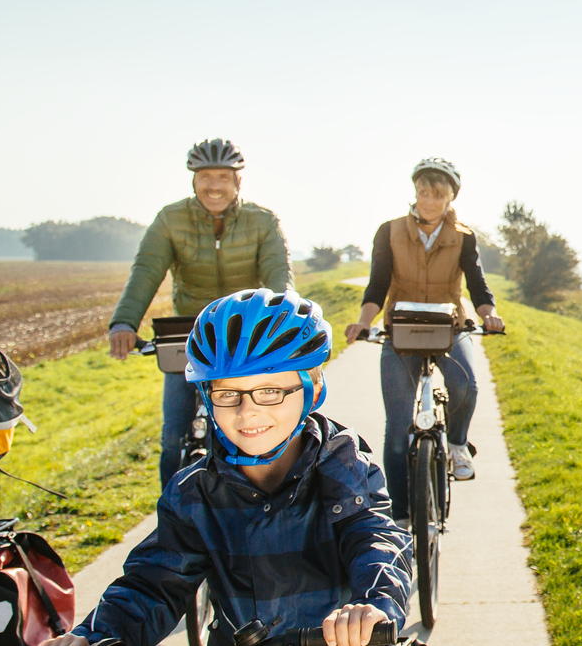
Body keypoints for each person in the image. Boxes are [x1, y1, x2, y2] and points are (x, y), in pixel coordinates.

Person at [51, 289, 411, 646]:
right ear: (208, 398)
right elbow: (152, 584)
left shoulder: (343, 463)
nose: (247, 411)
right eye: (227, 394)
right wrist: (92, 637)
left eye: (269, 391)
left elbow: (375, 539)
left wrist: (374, 606)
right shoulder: (193, 492)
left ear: (313, 390)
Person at [107, 138, 292, 485]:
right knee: (173, 437)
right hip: (189, 335)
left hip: (244, 335)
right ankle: (172, 523)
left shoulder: (262, 221)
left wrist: (286, 324)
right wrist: (123, 322)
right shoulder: (170, 220)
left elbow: (279, 278)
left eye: (223, 177)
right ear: (193, 180)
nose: (214, 186)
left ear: (238, 181)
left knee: (256, 432)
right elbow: (145, 272)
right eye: (205, 176)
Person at [343, 158, 503, 520]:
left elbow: (477, 282)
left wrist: (488, 313)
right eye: (423, 192)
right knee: (397, 430)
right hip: (402, 328)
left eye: (438, 194)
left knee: (465, 384)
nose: (429, 201)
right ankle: (401, 513)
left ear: (450, 198)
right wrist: (363, 322)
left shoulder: (463, 236)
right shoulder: (390, 231)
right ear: (415, 193)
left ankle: (458, 443)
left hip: (449, 325)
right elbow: (378, 282)